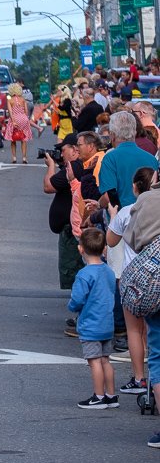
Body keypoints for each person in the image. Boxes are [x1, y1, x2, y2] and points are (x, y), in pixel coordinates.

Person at [106, 167, 157, 397]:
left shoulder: (129, 211)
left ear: (136, 187)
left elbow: (111, 240)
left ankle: (139, 377)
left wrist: (113, 216)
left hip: (137, 280)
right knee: (151, 332)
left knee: (134, 331)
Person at [68, 228, 117, 409]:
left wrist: (71, 307)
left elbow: (78, 299)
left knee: (94, 361)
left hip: (91, 324)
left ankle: (98, 396)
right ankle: (111, 395)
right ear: (104, 248)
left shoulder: (84, 275)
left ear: (81, 249)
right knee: (105, 359)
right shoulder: (109, 272)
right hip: (107, 323)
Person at [43, 134, 86, 290]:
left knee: (72, 269)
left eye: (63, 150)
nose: (61, 154)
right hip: (70, 226)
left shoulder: (74, 167)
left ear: (75, 150)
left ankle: (79, 304)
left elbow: (48, 186)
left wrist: (51, 167)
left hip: (71, 229)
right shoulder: (73, 166)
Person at [97, 111, 157, 210]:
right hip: (147, 214)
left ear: (112, 135)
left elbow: (109, 196)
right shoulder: (151, 159)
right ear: (135, 132)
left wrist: (98, 205)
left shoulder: (110, 158)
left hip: (121, 216)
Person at [3, 83, 33, 165]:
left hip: (15, 118)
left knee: (13, 139)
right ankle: (24, 157)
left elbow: (10, 112)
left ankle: (14, 157)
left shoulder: (10, 100)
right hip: (23, 118)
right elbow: (26, 111)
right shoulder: (23, 99)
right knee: (24, 139)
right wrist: (25, 118)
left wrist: (13, 121)